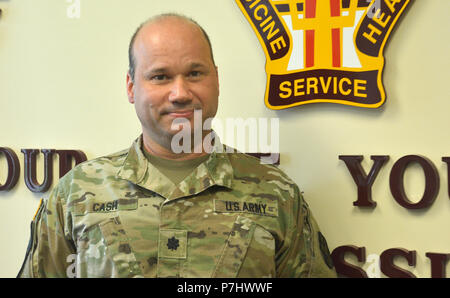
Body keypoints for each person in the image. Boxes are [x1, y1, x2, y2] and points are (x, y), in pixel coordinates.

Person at [17, 13, 337, 278]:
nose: (180, 92)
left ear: (216, 80)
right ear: (131, 87)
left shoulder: (276, 194)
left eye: (194, 73)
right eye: (160, 77)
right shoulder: (76, 194)